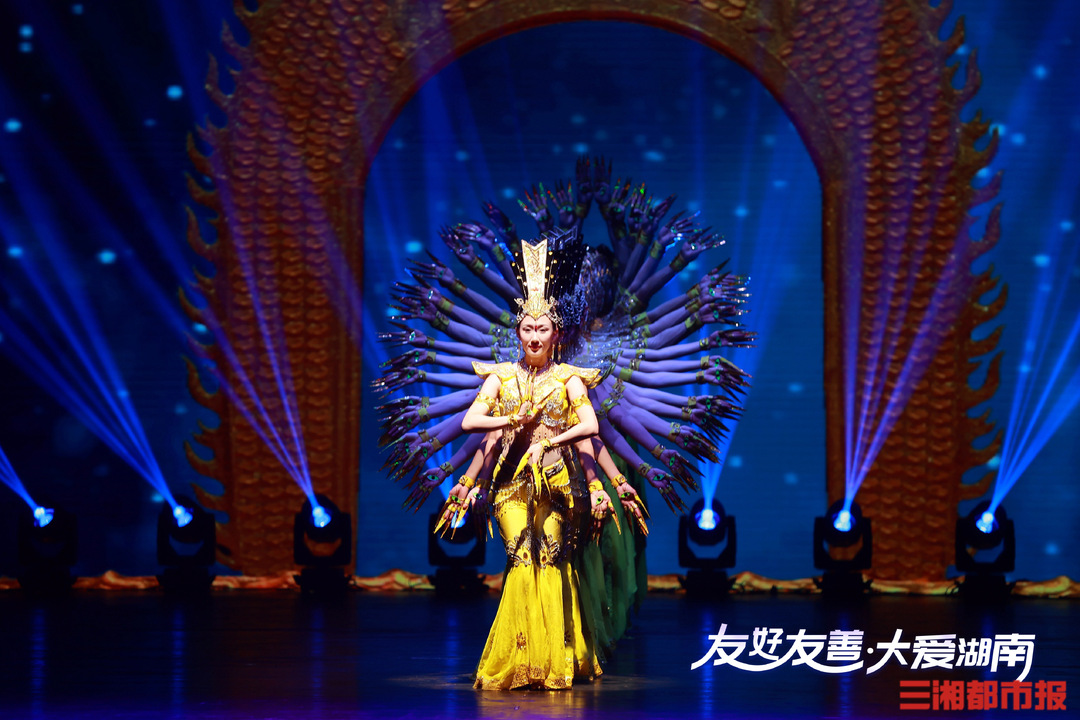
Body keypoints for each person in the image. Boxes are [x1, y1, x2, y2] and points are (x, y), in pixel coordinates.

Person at [438, 237, 614, 690]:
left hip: (557, 485)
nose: (534, 337)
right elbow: (473, 423)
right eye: (527, 329)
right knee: (520, 557)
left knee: (550, 558)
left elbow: (591, 427)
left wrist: (554, 441)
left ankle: (555, 660)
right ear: (518, 332)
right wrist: (509, 420)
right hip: (511, 487)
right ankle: (518, 662)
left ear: (556, 334)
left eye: (543, 329)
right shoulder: (500, 377)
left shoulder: (569, 380)